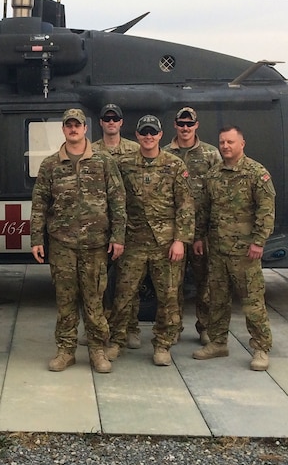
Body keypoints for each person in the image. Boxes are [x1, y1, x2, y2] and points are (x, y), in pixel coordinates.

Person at [30, 108, 125, 373]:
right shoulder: (50, 165)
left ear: (85, 129)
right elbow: (39, 204)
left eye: (78, 125)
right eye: (68, 125)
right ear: (63, 129)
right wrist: (36, 238)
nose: (73, 129)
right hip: (62, 244)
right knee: (65, 299)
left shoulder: (104, 162)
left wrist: (118, 237)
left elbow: (118, 201)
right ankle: (65, 350)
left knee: (95, 299)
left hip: (96, 244)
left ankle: (97, 350)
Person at [108, 115, 194, 366]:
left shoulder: (175, 165)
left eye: (152, 133)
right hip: (133, 241)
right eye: (143, 132)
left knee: (168, 297)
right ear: (137, 136)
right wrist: (117, 237)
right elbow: (116, 202)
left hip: (165, 243)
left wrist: (180, 240)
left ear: (160, 135)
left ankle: (163, 345)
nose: (148, 137)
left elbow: (186, 206)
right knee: (123, 295)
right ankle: (116, 341)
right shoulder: (123, 164)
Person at [192, 125, 276, 371]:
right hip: (217, 250)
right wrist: (198, 237)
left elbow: (266, 211)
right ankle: (218, 343)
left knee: (253, 302)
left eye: (230, 142)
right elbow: (205, 211)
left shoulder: (256, 174)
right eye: (222, 142)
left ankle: (261, 348)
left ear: (242, 143)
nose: (225, 146)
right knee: (217, 299)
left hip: (245, 253)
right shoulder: (213, 175)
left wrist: (259, 241)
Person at [164, 106, 222, 344]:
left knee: (204, 282)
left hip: (201, 232)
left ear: (196, 125)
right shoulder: (165, 154)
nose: (185, 128)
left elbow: (216, 195)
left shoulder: (211, 155)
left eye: (189, 124)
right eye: (181, 124)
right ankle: (173, 328)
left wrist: (204, 234)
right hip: (173, 232)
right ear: (175, 125)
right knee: (172, 284)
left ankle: (205, 327)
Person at [91, 103, 143, 347]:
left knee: (128, 282)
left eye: (115, 118)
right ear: (100, 122)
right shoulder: (90, 151)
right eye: (106, 118)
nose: (111, 122)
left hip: (130, 226)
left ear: (121, 122)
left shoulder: (135, 150)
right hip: (99, 225)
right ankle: (96, 327)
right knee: (97, 282)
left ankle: (130, 328)